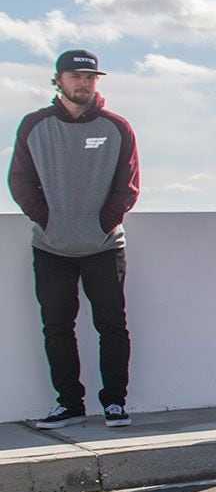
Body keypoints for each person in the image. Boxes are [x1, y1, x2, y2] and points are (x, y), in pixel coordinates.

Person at [7, 49, 139, 429]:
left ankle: (115, 403)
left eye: (91, 78)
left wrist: (101, 224)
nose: (84, 83)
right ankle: (69, 403)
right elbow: (20, 180)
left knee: (112, 325)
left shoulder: (117, 127)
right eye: (76, 76)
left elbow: (127, 187)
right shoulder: (35, 125)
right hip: (51, 247)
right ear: (58, 80)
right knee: (57, 326)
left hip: (104, 246)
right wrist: (47, 220)